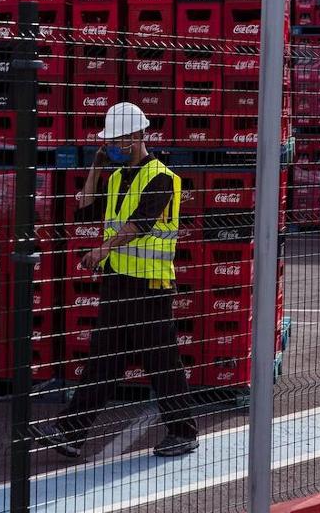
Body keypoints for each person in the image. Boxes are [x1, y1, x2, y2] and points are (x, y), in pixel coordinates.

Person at [30, 102, 199, 460]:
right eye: (109, 142)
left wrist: (101, 250)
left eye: (118, 141)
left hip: (149, 286)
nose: (113, 147)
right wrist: (95, 166)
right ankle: (70, 431)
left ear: (138, 137)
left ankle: (183, 432)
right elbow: (86, 208)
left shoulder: (163, 178)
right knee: (103, 361)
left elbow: (140, 224)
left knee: (161, 362)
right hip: (117, 282)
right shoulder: (117, 177)